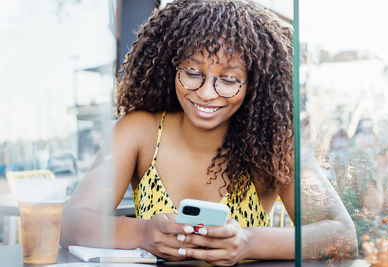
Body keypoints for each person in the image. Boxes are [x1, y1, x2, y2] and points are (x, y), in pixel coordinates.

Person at [61, 0, 357, 264]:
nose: (206, 93)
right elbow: (70, 223)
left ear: (252, 83)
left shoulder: (276, 144)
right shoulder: (138, 132)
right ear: (171, 68)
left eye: (228, 79)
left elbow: (342, 235)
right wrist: (143, 233)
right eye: (192, 73)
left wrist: (248, 242)